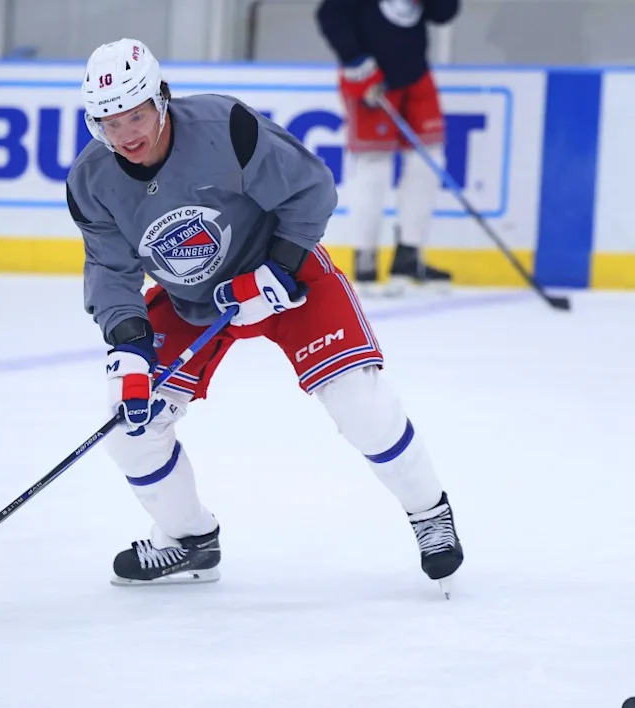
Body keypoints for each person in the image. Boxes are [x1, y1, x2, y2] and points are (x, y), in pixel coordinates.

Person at [65, 38, 464, 592]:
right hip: (194, 302)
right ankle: (189, 541)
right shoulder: (92, 180)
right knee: (130, 426)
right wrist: (129, 347)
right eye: (110, 122)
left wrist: (279, 267)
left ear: (162, 99)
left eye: (135, 114)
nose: (126, 133)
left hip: (286, 275)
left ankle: (429, 513)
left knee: (360, 404)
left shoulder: (225, 127)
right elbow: (109, 272)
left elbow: (312, 188)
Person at [316, 0, 460, 295]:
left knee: (428, 161)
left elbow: (444, 12)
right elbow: (330, 13)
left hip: (415, 75)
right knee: (374, 166)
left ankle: (408, 256)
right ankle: (365, 260)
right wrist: (353, 57)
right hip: (370, 78)